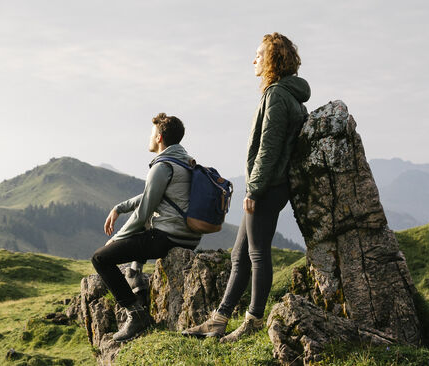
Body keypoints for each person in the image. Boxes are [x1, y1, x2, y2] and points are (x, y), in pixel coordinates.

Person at [181, 32, 310, 342]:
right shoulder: (285, 94)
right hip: (271, 184)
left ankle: (252, 319)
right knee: (239, 255)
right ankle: (219, 319)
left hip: (269, 185)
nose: (254, 60)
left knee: (256, 254)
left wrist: (253, 189)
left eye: (259, 55)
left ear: (273, 60)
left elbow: (269, 147)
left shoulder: (277, 94)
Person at [93, 113, 203, 342]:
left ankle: (136, 315)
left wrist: (116, 239)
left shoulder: (163, 166)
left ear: (160, 137)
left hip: (168, 237)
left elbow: (144, 211)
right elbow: (151, 195)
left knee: (101, 259)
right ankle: (135, 278)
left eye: (152, 134)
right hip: (189, 236)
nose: (150, 138)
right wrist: (119, 207)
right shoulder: (184, 161)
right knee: (143, 229)